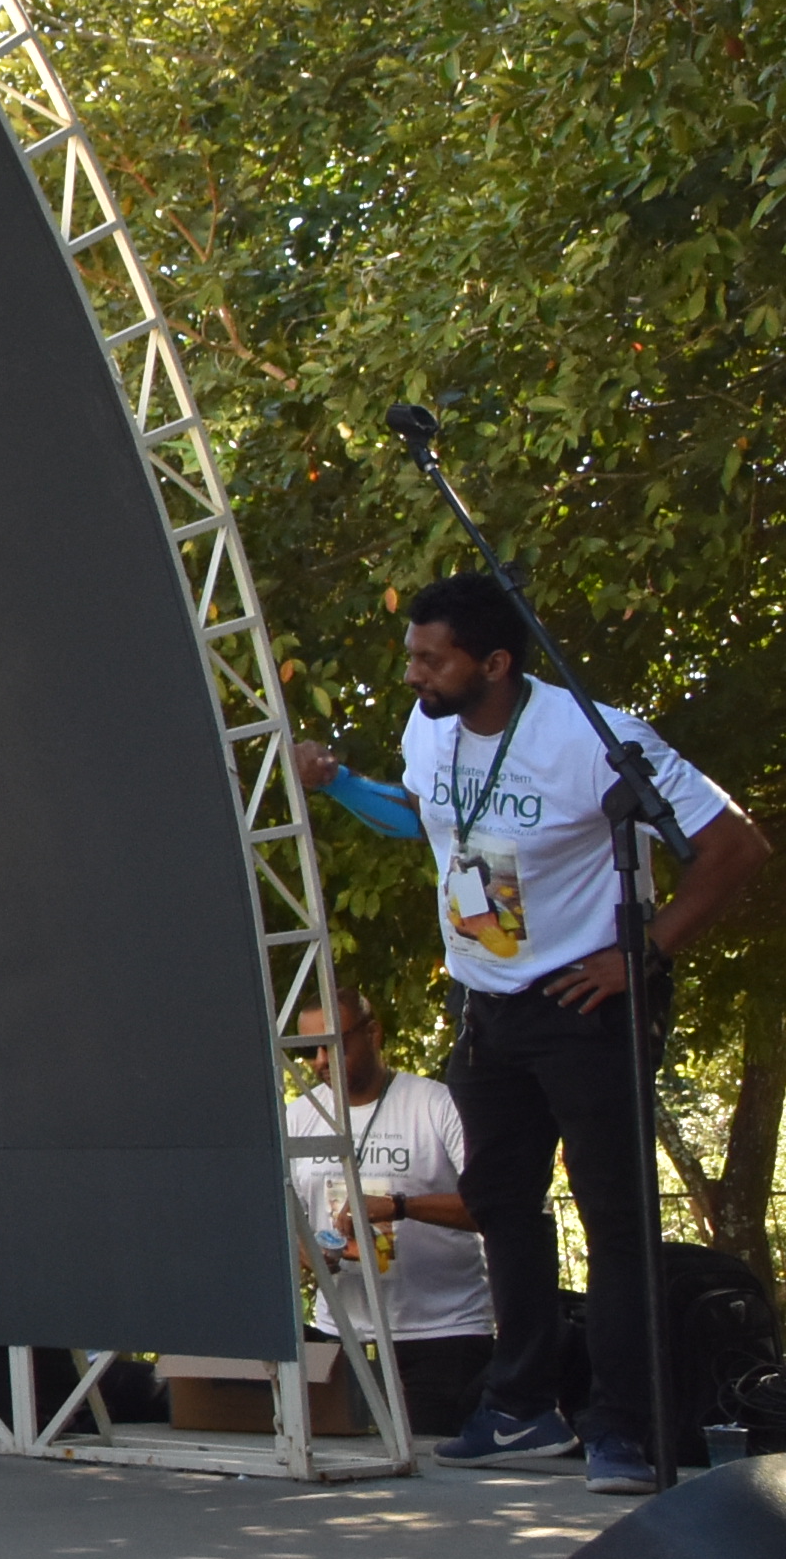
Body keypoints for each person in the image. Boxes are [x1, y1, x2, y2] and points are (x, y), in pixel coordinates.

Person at [298, 570, 767, 1492]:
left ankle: (623, 1427)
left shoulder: (596, 738)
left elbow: (735, 846)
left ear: (497, 663)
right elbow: (424, 821)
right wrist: (342, 783)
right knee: (501, 1199)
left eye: (432, 660)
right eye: (411, 656)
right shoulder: (429, 727)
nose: (413, 675)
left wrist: (642, 954)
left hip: (582, 1002)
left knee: (614, 1211)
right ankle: (520, 1408)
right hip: (486, 1005)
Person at [282, 985, 493, 1437]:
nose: (320, 1060)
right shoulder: (298, 1119)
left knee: (429, 1461)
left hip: (442, 1332)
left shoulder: (435, 1104)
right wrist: (304, 1249)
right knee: (345, 1462)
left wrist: (400, 1206)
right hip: (342, 1333)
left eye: (333, 1045)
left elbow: (492, 1204)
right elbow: (278, 1214)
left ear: (373, 1033)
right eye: (309, 1050)